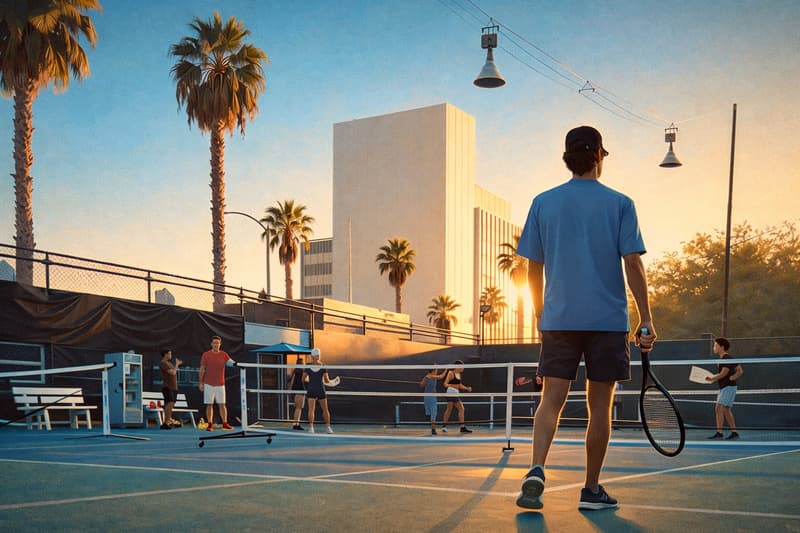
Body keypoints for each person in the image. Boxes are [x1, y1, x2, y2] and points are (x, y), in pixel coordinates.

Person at [515, 125, 656, 511]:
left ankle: (536, 468)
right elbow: (633, 265)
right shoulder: (621, 203)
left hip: (558, 321)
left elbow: (533, 270)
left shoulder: (543, 202)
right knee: (600, 407)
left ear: (568, 158)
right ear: (599, 157)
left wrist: (543, 314)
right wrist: (646, 318)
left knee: (550, 401)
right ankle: (591, 489)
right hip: (607, 322)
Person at [705, 337, 743, 440]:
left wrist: (712, 378)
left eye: (715, 345)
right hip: (726, 387)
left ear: (721, 347)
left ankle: (719, 432)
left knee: (719, 408)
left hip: (728, 387)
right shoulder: (726, 358)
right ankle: (734, 432)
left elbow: (724, 373)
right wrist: (734, 376)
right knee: (726, 409)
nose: (714, 347)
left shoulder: (726, 358)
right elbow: (739, 370)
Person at [198, 335, 235, 431]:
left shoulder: (224, 354)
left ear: (220, 344)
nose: (216, 344)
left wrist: (238, 364)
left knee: (222, 404)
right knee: (209, 404)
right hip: (208, 384)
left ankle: (225, 423)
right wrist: (201, 383)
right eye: (214, 343)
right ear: (211, 344)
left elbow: (232, 362)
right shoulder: (206, 355)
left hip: (221, 384)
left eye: (217, 343)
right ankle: (210, 424)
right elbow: (202, 369)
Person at [304, 348, 334, 434]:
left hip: (311, 389)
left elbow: (303, 379)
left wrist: (310, 382)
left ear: (311, 356)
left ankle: (311, 428)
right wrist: (331, 382)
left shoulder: (308, 366)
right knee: (325, 409)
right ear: (319, 356)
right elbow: (327, 380)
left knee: (311, 409)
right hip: (320, 389)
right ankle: (328, 427)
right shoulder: (323, 366)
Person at [440, 360, 473, 434]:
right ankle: (444, 426)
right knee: (449, 410)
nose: (463, 368)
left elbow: (459, 385)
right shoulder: (451, 373)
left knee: (461, 409)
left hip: (456, 394)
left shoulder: (459, 375)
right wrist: (453, 386)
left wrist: (467, 388)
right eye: (462, 367)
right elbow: (445, 384)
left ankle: (462, 427)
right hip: (450, 393)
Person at [159, 349, 182, 430]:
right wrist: (177, 365)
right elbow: (173, 372)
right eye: (169, 354)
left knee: (171, 404)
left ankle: (168, 421)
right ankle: (165, 422)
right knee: (170, 403)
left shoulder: (169, 363)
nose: (170, 355)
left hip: (174, 387)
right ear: (165, 354)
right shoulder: (163, 363)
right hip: (167, 387)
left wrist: (176, 365)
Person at [419, 367, 447, 434]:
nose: (437, 371)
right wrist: (446, 369)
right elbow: (441, 376)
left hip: (426, 397)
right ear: (433, 370)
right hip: (431, 397)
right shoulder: (432, 376)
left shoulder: (426, 377)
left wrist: (425, 381)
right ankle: (433, 429)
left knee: (430, 413)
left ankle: (432, 427)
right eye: (436, 370)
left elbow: (421, 385)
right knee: (433, 413)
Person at [288, 355, 307, 430]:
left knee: (297, 407)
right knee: (299, 407)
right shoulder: (302, 370)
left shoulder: (295, 370)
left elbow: (290, 379)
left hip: (295, 389)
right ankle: (296, 424)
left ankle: (296, 423)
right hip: (300, 389)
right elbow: (304, 380)